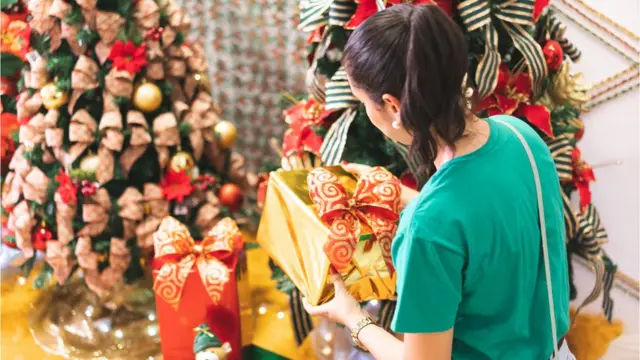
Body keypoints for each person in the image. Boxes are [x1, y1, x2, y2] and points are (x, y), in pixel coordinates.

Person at [303, 4, 575, 360]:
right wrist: (408, 197)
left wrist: (352, 317)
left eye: (361, 100)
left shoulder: (429, 227)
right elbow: (486, 228)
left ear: (392, 105)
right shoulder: (522, 136)